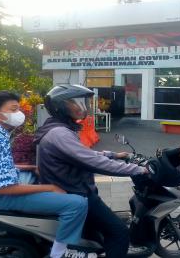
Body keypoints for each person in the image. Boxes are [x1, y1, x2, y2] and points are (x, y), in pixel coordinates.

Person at [0, 91, 89, 258]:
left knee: (38, 180)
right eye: (13, 109)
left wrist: (30, 167)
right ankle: (60, 253)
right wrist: (51, 187)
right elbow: (3, 189)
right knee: (77, 204)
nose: (19, 114)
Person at [34, 84, 149, 258]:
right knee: (119, 233)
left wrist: (113, 154)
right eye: (74, 102)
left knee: (95, 235)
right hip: (76, 193)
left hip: (68, 188)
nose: (81, 106)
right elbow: (93, 162)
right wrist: (139, 170)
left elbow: (80, 153)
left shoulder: (58, 128)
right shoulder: (60, 133)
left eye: (82, 102)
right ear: (61, 107)